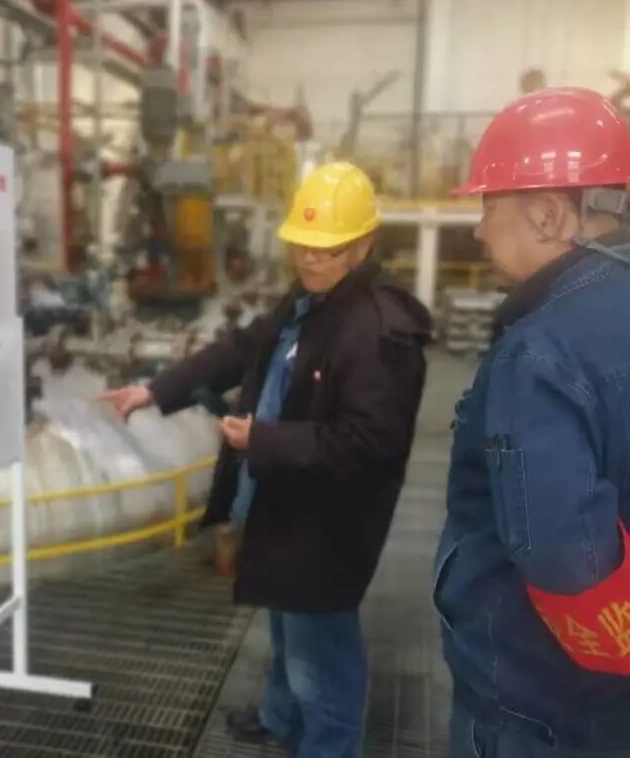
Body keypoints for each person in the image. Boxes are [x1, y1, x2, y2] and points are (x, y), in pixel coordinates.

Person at [100, 162, 431, 758]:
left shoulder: (377, 330)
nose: (309, 259)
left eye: (326, 249)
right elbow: (243, 348)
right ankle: (281, 718)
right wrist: (156, 391)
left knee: (320, 655)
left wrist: (265, 440)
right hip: (283, 498)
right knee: (285, 626)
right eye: (301, 245)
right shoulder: (312, 299)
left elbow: (369, 443)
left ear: (364, 244)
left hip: (327, 521)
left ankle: (328, 748)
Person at [436, 87, 630, 757]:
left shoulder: (540, 351)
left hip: (539, 706)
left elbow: (564, 557)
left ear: (549, 215)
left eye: (489, 208)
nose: (478, 231)